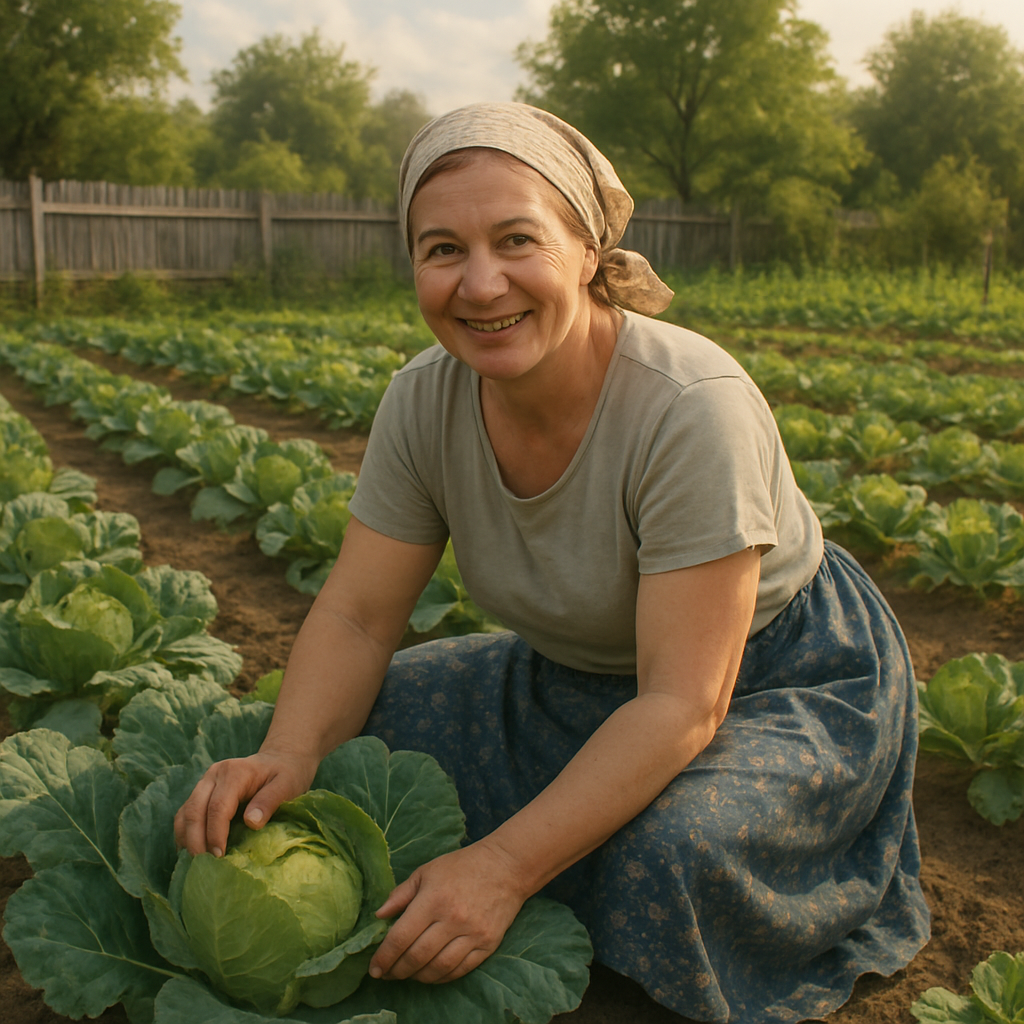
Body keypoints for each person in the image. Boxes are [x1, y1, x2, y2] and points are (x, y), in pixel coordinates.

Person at [175, 102, 931, 1024]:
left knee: (669, 852)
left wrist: (500, 867)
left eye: (517, 240)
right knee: (357, 731)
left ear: (586, 249)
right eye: (442, 248)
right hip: (574, 676)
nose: (480, 283)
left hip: (773, 683)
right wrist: (288, 752)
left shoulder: (691, 408)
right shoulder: (423, 401)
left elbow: (683, 701)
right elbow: (358, 615)